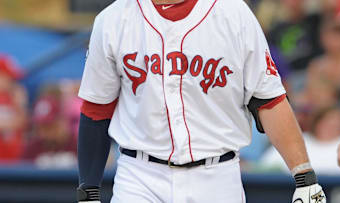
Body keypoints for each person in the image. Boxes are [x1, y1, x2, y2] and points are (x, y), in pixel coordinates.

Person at [76, 1, 326, 203]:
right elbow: (96, 110)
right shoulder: (113, 19)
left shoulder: (232, 13)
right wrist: (89, 191)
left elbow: (268, 100)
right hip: (140, 175)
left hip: (216, 175)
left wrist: (304, 176)